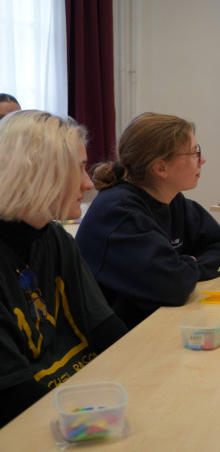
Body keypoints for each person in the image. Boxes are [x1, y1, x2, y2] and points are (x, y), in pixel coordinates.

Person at [0, 110, 128, 428]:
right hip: (45, 422)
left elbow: (106, 329)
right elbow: (13, 397)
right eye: (79, 168)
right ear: (39, 174)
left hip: (84, 399)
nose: (88, 182)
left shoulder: (54, 237)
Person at [76, 113, 220, 329]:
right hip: (118, 339)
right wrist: (187, 266)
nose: (202, 160)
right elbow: (174, 287)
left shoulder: (172, 200)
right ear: (161, 168)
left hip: (154, 323)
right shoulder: (119, 212)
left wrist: (186, 266)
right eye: (194, 153)